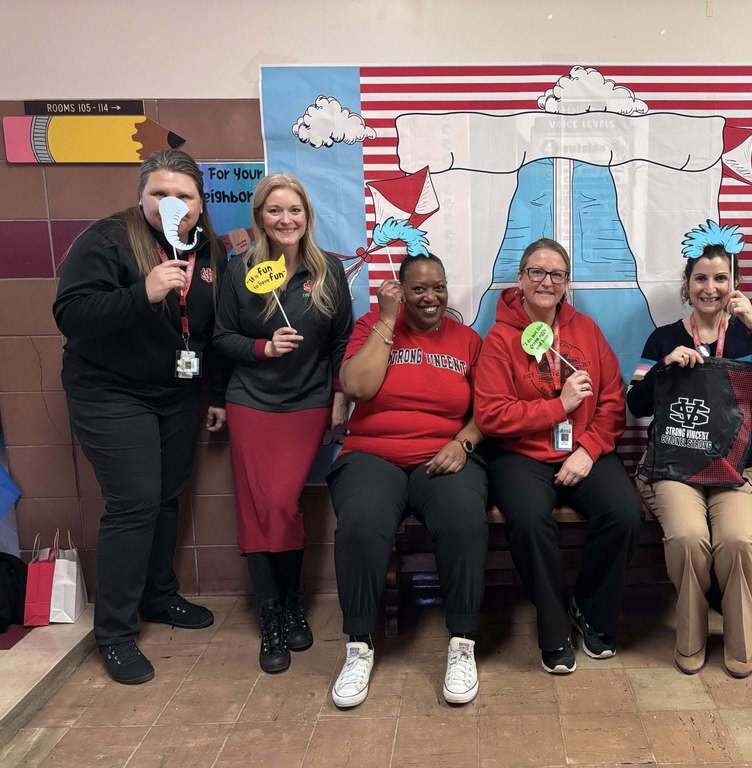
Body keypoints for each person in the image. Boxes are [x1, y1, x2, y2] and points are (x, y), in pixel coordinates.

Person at [53, 149, 226, 685]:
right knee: (133, 504)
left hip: (176, 391)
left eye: (183, 195)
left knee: (169, 494)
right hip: (110, 392)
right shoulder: (106, 240)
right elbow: (71, 315)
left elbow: (210, 330)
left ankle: (158, 596)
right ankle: (116, 633)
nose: (171, 204)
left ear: (200, 203)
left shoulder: (209, 250)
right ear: (142, 195)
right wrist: (141, 293)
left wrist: (214, 392)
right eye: (160, 193)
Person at [627, 221, 752, 678]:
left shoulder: (750, 338)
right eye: (701, 278)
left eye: (721, 278)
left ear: (736, 283)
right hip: (673, 468)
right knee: (688, 538)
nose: (711, 288)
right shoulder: (663, 338)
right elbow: (636, 404)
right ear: (686, 285)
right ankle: (690, 637)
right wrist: (665, 370)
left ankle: (741, 642)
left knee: (736, 541)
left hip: (739, 467)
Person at [474, 238, 642, 675]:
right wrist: (558, 407)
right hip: (520, 454)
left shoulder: (585, 329)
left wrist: (588, 450)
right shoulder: (498, 338)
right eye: (536, 272)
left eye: (556, 274)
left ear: (567, 283)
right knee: (529, 521)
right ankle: (552, 625)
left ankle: (589, 609)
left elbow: (611, 399)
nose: (546, 281)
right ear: (521, 279)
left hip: (582, 449)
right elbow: (492, 416)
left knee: (624, 514)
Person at [328, 254, 487, 708]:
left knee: (463, 520)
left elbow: (484, 412)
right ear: (400, 289)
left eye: (438, 286)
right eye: (418, 288)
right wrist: (387, 320)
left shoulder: (466, 340)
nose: (431, 297)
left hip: (443, 453)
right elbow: (357, 387)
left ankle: (462, 643)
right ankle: (359, 645)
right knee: (359, 523)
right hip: (373, 454)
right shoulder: (373, 326)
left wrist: (464, 444)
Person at [214, 174, 352, 673]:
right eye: (275, 211)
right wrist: (262, 348)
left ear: (307, 217)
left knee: (283, 504)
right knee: (259, 509)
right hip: (252, 402)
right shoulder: (238, 271)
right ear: (260, 217)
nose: (285, 219)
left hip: (307, 405)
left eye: (294, 210)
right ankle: (274, 617)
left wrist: (339, 394)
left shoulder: (330, 270)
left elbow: (341, 342)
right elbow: (222, 337)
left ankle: (292, 601)